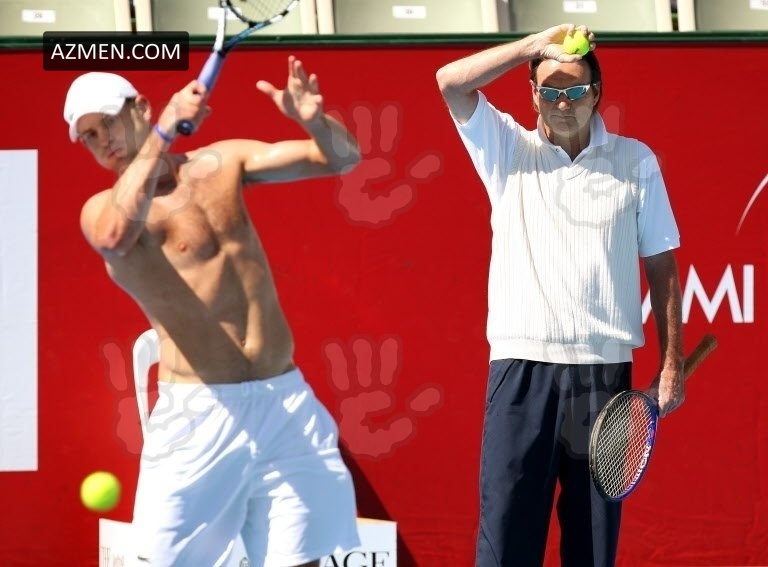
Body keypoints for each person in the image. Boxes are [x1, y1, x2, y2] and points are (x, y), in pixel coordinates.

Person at [64, 57, 361, 567]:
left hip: (284, 401)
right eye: (89, 136)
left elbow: (342, 159)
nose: (102, 140)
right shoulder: (101, 210)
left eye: (107, 122)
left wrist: (315, 121)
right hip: (197, 416)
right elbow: (114, 236)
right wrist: (164, 131)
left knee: (302, 561)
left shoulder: (222, 163)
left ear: (140, 107)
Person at [436, 24, 684, 566]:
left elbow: (662, 266)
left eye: (575, 90)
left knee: (591, 548)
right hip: (521, 373)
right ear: (532, 96)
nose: (563, 102)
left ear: (597, 94)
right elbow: (450, 81)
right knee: (505, 544)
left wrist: (671, 364)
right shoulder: (505, 148)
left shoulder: (636, 160)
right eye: (549, 90)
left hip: (604, 379)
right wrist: (534, 45)